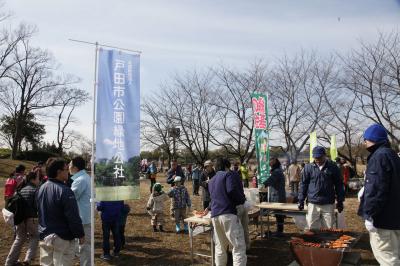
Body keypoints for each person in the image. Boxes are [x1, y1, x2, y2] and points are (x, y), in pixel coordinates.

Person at [358, 124, 400, 265]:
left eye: (366, 139)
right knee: (395, 254)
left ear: (373, 139)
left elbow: (376, 190)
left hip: (383, 219)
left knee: (387, 259)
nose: (364, 142)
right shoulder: (392, 154)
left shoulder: (378, 156)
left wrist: (370, 215)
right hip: (395, 216)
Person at [37, 158, 84, 266]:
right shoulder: (65, 190)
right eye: (66, 169)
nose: (68, 171)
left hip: (45, 235)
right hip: (62, 237)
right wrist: (80, 234)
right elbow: (73, 216)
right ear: (59, 172)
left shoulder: (41, 188)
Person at [206, 157, 247, 266]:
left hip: (215, 215)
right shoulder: (227, 175)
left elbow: (214, 197)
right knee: (238, 247)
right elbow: (232, 190)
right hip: (228, 214)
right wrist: (242, 199)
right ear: (226, 166)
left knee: (220, 247)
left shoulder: (211, 180)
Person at [298, 146, 344, 230]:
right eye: (315, 157)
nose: (317, 159)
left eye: (319, 157)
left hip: (328, 203)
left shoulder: (333, 167)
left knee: (328, 228)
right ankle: (314, 242)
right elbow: (303, 184)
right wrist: (301, 200)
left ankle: (327, 242)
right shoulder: (308, 167)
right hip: (313, 203)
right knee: (311, 228)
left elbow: (339, 185)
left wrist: (340, 201)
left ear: (324, 155)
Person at [5, 171, 40, 266]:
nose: (39, 180)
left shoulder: (20, 189)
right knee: (35, 237)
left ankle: (9, 262)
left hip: (19, 218)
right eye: (37, 178)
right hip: (32, 218)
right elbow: (37, 206)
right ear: (33, 179)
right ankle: (27, 260)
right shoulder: (35, 189)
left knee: (19, 238)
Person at [69, 156, 91, 266]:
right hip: (85, 215)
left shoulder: (80, 180)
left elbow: (70, 198)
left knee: (85, 245)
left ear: (75, 168)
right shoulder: (85, 177)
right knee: (83, 244)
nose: (68, 167)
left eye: (70, 165)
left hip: (83, 216)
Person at [263, 157, 286, 237]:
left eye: (271, 163)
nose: (270, 165)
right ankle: (280, 231)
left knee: (279, 215)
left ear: (274, 163)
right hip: (279, 195)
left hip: (278, 197)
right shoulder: (278, 170)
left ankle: (280, 232)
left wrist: (263, 184)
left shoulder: (277, 172)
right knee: (278, 214)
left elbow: (271, 180)